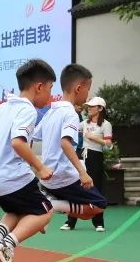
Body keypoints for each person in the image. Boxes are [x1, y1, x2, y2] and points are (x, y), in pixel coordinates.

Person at [0, 59, 58, 262]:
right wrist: (40, 167)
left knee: (20, 209)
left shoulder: (1, 109)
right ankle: (7, 246)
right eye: (50, 89)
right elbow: (18, 142)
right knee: (46, 210)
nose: (50, 95)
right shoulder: (27, 111)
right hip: (8, 177)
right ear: (39, 86)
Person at [36, 65, 108, 229]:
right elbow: (65, 143)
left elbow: (34, 137)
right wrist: (83, 174)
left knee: (90, 206)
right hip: (64, 176)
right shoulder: (70, 113)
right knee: (99, 205)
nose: (88, 96)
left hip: (48, 178)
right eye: (88, 89)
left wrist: (37, 167)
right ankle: (50, 206)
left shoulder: (50, 112)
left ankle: (50, 202)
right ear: (78, 88)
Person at [63, 96, 113, 231]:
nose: (89, 109)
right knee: (77, 186)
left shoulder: (106, 125)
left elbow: (109, 145)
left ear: (100, 108)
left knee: (96, 189)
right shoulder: (84, 123)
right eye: (88, 106)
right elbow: (70, 130)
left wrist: (96, 139)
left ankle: (99, 223)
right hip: (82, 156)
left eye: (92, 106)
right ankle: (70, 221)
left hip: (96, 157)